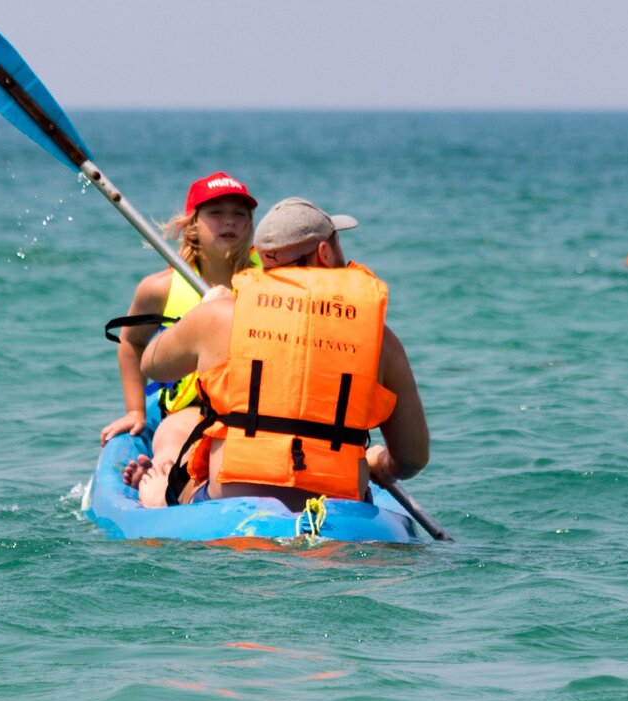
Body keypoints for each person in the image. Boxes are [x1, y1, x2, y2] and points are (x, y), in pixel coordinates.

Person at [132, 197, 429, 509]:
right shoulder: (379, 336)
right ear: (325, 253)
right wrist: (382, 465)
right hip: (336, 506)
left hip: (231, 501)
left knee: (178, 480)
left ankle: (158, 497)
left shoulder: (219, 315)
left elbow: (153, 364)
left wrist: (202, 315)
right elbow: (412, 459)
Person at [99, 172, 259, 472]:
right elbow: (131, 342)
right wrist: (135, 411)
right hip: (190, 408)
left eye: (240, 214)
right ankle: (161, 473)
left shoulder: (274, 280)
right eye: (216, 213)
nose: (230, 221)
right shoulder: (160, 287)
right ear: (192, 225)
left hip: (254, 407)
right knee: (174, 440)